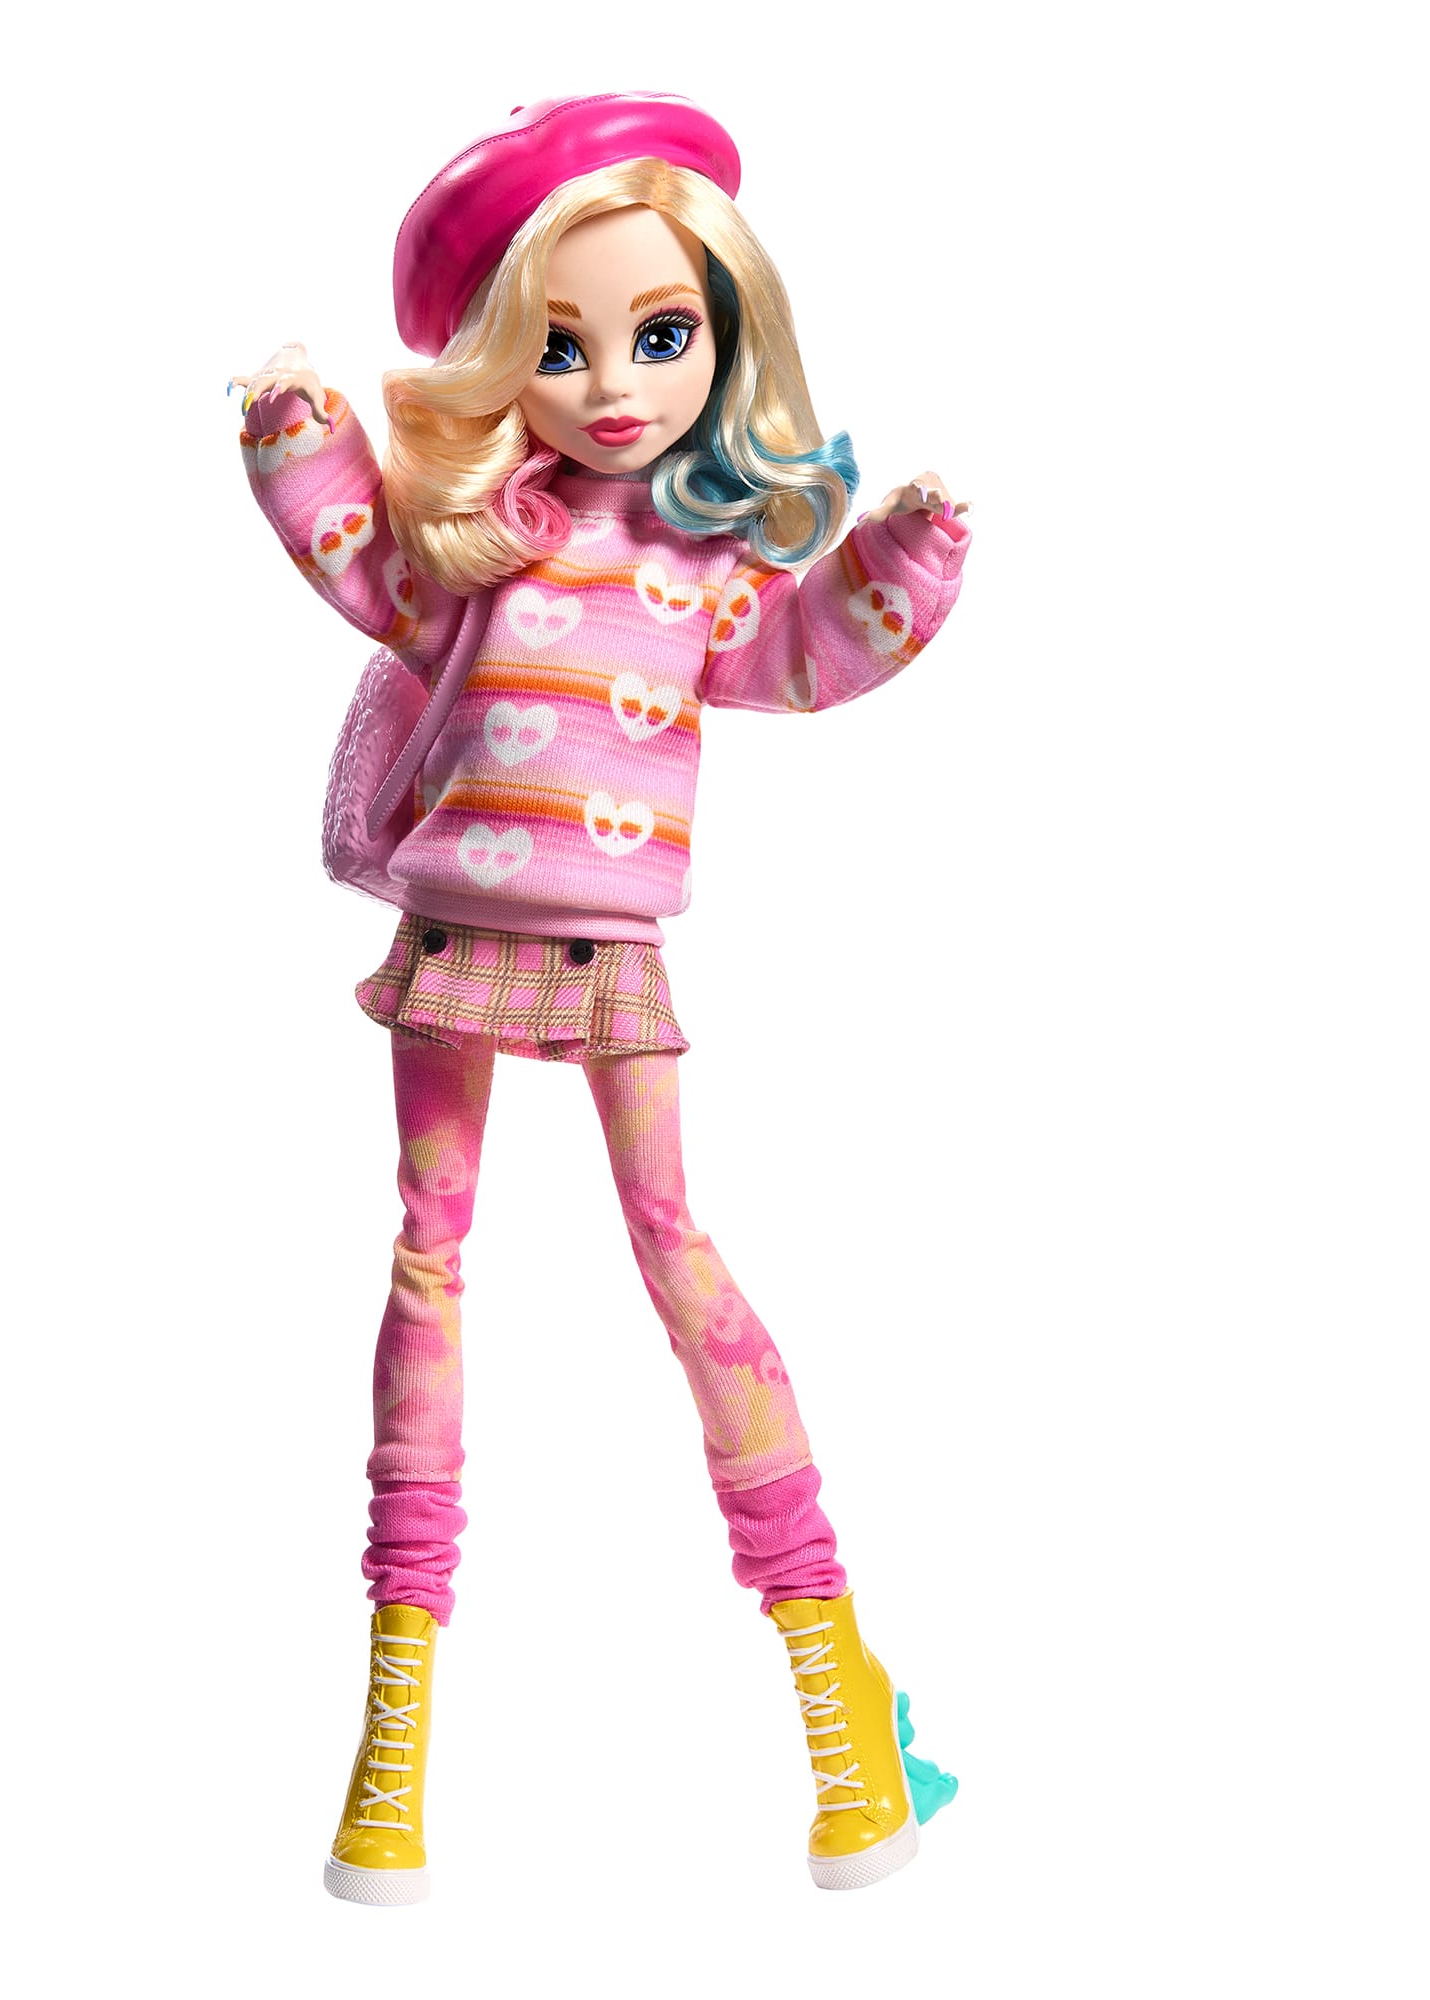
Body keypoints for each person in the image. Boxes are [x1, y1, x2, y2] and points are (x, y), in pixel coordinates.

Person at [231, 92, 973, 1900]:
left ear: (725, 331)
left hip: (611, 954)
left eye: (660, 335)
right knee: (438, 1254)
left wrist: (904, 555)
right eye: (558, 347)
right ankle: (395, 1735)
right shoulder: (481, 541)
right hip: (456, 939)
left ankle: (834, 1692)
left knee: (666, 1247)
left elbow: (805, 657)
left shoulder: (711, 563)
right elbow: (366, 561)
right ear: (502, 360)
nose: (615, 384)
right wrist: (296, 430)